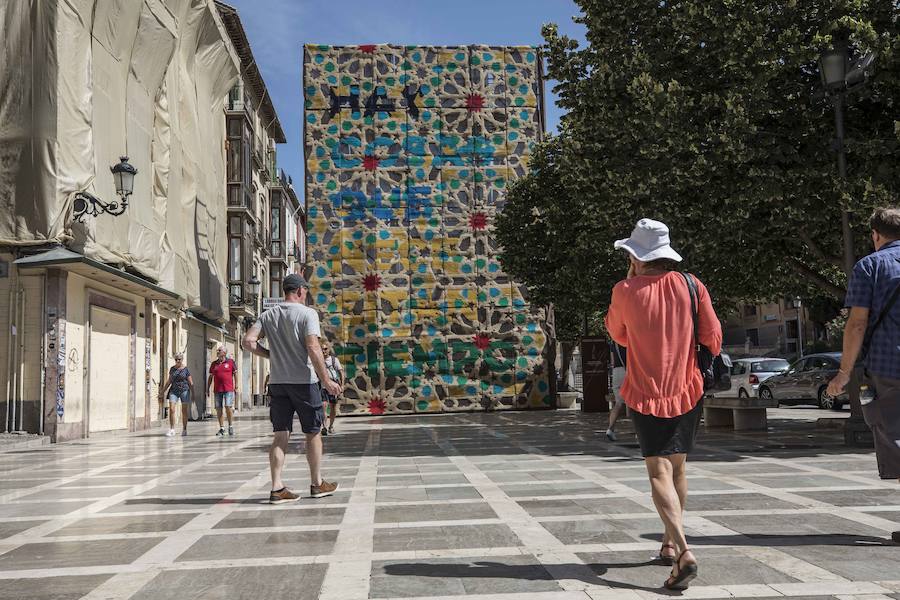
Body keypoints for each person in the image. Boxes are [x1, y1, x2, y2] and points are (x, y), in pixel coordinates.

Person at [605, 218, 722, 590]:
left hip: (645, 390)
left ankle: (684, 551)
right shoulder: (692, 285)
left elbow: (618, 334)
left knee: (658, 472)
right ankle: (668, 543)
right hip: (687, 388)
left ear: (637, 257)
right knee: (679, 469)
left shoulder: (624, 290)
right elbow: (713, 337)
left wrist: (633, 287)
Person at [827, 207, 900, 545]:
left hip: (889, 366)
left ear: (875, 234)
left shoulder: (870, 266)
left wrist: (843, 373)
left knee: (895, 436)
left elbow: (857, 324)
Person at [242, 273, 343, 503]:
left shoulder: (268, 314)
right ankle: (317, 483)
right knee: (313, 432)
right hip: (304, 382)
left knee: (280, 435)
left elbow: (248, 341)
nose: (306, 294)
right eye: (305, 290)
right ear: (299, 290)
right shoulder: (308, 314)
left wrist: (270, 355)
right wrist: (327, 380)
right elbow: (313, 348)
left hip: (278, 383)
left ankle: (277, 487)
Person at [159, 353, 193, 437]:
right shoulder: (172, 369)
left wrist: (193, 393)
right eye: (176, 359)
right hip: (174, 390)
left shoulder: (186, 369)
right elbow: (169, 381)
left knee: (184, 411)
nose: (177, 361)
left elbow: (190, 382)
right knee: (172, 409)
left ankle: (184, 429)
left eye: (179, 359)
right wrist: (162, 391)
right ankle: (172, 429)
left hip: (184, 390)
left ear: (182, 359)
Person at [207, 346, 238, 437]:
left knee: (228, 406)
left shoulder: (230, 362)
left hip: (228, 389)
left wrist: (236, 385)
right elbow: (210, 377)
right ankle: (222, 428)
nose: (217, 352)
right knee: (218, 408)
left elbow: (235, 374)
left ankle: (230, 426)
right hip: (217, 389)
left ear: (224, 353)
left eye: (219, 350)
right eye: (217, 350)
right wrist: (208, 388)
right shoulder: (214, 364)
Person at [320, 342, 344, 436]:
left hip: (333, 386)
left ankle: (331, 426)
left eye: (325, 349)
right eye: (322, 349)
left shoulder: (334, 360)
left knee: (333, 406)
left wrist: (342, 385)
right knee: (323, 406)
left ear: (329, 350)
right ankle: (324, 427)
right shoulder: (318, 360)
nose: (323, 351)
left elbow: (341, 372)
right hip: (322, 386)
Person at [606, 344, 627, 442]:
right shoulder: (629, 340)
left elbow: (612, 361)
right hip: (627, 370)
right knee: (634, 403)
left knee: (618, 403)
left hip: (616, 371)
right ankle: (639, 432)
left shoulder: (614, 343)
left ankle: (610, 429)